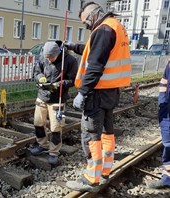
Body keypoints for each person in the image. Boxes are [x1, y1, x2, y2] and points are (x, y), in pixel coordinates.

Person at [64, 2, 131, 192]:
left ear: (93, 15)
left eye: (86, 23)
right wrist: (75, 47)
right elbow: (97, 51)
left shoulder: (102, 30)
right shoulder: (115, 26)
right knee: (107, 132)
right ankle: (104, 171)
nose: (86, 26)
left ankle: (90, 179)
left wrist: (82, 92)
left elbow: (95, 66)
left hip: (97, 93)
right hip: (111, 92)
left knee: (91, 134)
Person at [29, 41, 78, 165]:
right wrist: (40, 77)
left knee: (56, 127)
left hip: (58, 98)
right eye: (47, 57)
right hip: (42, 95)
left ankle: (54, 152)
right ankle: (42, 145)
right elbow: (36, 71)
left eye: (51, 57)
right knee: (38, 123)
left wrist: (59, 85)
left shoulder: (70, 60)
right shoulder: (43, 57)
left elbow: (73, 80)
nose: (49, 59)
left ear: (57, 53)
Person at [147, 64, 170, 189]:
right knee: (168, 143)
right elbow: (164, 82)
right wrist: (162, 102)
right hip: (167, 109)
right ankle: (167, 177)